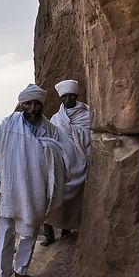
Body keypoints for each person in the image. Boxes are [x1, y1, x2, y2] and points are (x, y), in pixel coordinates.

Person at [0, 83, 66, 277]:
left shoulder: (51, 130)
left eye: (36, 104)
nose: (32, 108)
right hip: (10, 193)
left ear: (42, 105)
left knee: (29, 234)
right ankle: (3, 276)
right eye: (28, 104)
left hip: (35, 192)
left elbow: (59, 162)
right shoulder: (4, 130)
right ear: (21, 104)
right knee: (6, 235)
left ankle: (21, 270)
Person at [41, 79, 91, 245]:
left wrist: (73, 131)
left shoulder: (87, 115)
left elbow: (89, 137)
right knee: (52, 195)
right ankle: (48, 234)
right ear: (61, 99)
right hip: (61, 163)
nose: (68, 99)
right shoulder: (56, 118)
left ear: (76, 96)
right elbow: (51, 138)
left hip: (79, 162)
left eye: (71, 96)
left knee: (73, 199)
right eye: (65, 97)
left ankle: (66, 230)